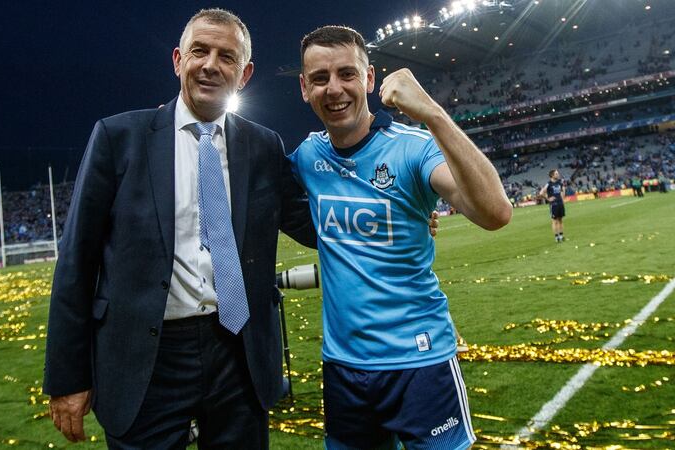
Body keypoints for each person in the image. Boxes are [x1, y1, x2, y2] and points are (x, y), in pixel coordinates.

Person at [43, 8, 316, 449]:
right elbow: (76, 261)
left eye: (226, 57)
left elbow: (311, 223)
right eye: (199, 51)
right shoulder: (119, 138)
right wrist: (67, 377)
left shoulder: (263, 145)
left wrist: (401, 214)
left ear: (244, 74)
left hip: (238, 352)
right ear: (177, 60)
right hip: (146, 358)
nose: (210, 64)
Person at [288, 26, 511, 450]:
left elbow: (495, 213)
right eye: (320, 78)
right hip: (343, 367)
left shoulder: (413, 148)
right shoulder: (308, 156)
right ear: (304, 87)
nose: (334, 89)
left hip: (421, 361)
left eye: (346, 74)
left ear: (369, 79)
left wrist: (432, 112)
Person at [539, 169, 566, 242]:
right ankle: (556, 237)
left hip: (560, 203)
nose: (558, 175)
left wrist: (563, 199)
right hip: (554, 204)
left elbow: (562, 191)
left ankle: (561, 235)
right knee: (555, 221)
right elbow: (541, 193)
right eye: (556, 174)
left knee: (560, 220)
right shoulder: (549, 184)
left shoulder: (559, 182)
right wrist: (548, 199)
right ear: (552, 175)